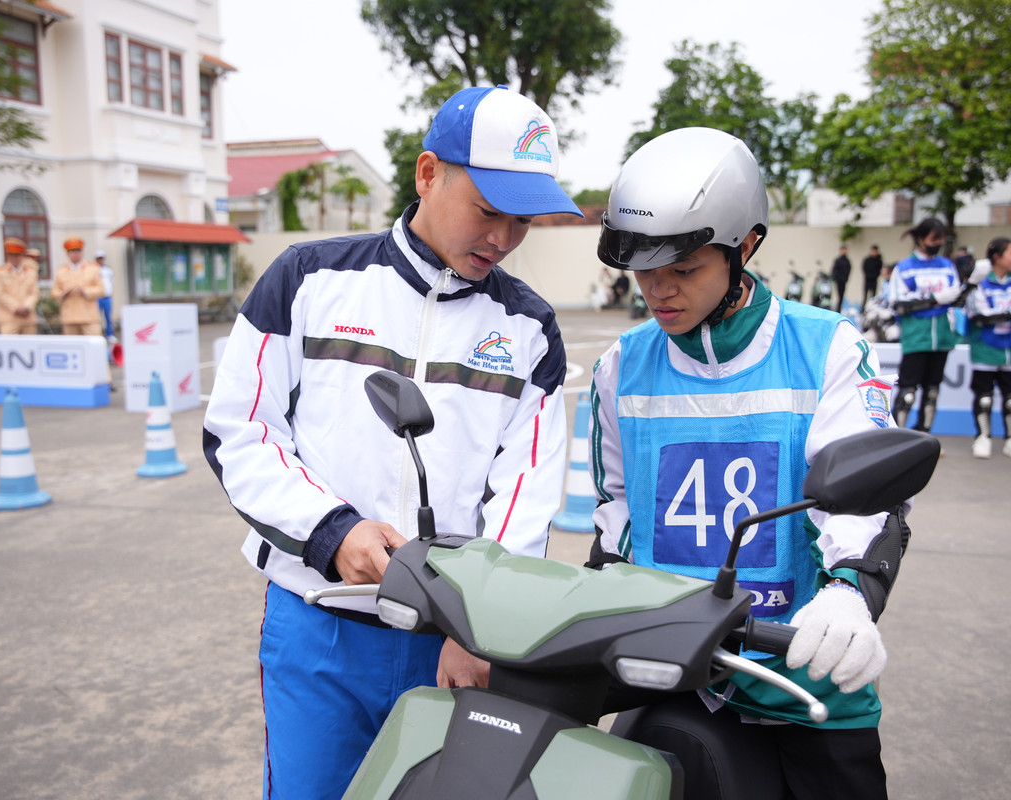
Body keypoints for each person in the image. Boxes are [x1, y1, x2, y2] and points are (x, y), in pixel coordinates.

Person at [202, 85, 578, 800]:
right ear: (428, 173)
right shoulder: (309, 279)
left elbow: (525, 494)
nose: (503, 239)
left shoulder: (529, 328)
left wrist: (482, 625)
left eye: (523, 220)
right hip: (319, 625)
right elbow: (240, 433)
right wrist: (332, 531)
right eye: (488, 211)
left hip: (451, 642)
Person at [588, 127, 912, 800]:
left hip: (803, 676)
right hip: (667, 669)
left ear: (746, 247)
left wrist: (850, 593)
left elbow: (866, 496)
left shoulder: (826, 346)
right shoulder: (621, 364)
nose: (658, 290)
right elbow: (615, 510)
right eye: (643, 269)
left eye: (684, 269)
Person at [889, 219, 985, 435]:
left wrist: (972, 284)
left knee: (932, 390)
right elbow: (898, 304)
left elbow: (956, 299)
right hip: (916, 336)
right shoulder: (904, 268)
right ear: (921, 239)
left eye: (941, 239)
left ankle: (924, 434)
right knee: (908, 391)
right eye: (934, 239)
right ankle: (896, 436)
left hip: (942, 336)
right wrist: (934, 300)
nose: (938, 243)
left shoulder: (946, 265)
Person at [964, 238, 1011, 460]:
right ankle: (983, 437)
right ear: (997, 257)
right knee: (984, 396)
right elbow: (979, 314)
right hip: (985, 347)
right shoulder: (981, 281)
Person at [51, 237, 104, 335]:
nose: (75, 254)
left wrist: (84, 291)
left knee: (94, 341)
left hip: (88, 315)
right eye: (72, 251)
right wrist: (64, 293)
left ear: (82, 252)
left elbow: (101, 289)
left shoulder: (93, 269)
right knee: (72, 343)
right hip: (70, 316)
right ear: (67, 254)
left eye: (78, 251)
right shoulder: (61, 271)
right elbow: (54, 291)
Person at [0, 237, 40, 334]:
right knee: (9, 343)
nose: (14, 258)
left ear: (22, 255)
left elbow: (34, 292)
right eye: (11, 255)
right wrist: (16, 307)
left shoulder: (31, 271)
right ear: (7, 256)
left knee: (29, 343)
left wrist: (27, 306)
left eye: (17, 255)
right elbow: (0, 293)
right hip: (8, 317)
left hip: (28, 317)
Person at [95, 249, 115, 340]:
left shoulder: (108, 270)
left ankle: (110, 334)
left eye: (101, 258)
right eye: (98, 258)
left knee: (108, 317)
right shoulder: (93, 270)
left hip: (107, 297)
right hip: (97, 297)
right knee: (96, 318)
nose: (100, 260)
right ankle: (97, 334)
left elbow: (112, 282)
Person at [830, 243, 851, 312]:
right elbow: (834, 270)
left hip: (843, 281)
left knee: (841, 296)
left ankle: (839, 308)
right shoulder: (838, 260)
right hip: (838, 281)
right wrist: (836, 278)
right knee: (838, 295)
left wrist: (845, 278)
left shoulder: (847, 261)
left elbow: (848, 271)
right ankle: (837, 308)